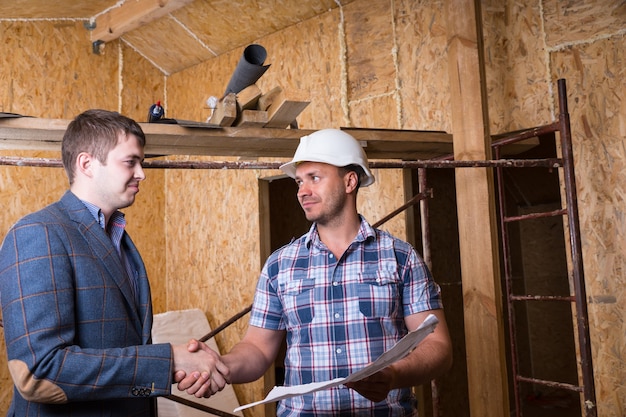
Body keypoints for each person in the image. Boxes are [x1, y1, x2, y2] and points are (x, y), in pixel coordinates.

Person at [181, 128, 453, 416]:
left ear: (350, 181)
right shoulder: (280, 265)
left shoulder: (400, 257)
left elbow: (437, 346)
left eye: (315, 178)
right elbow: (257, 351)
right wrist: (221, 366)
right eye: (299, 181)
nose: (302, 191)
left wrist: (395, 375)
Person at [0, 109, 227, 416]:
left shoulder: (121, 242)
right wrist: (169, 360)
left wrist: (165, 375)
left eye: (141, 163)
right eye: (130, 162)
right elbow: (38, 373)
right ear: (87, 164)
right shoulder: (38, 233)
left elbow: (123, 370)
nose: (142, 173)